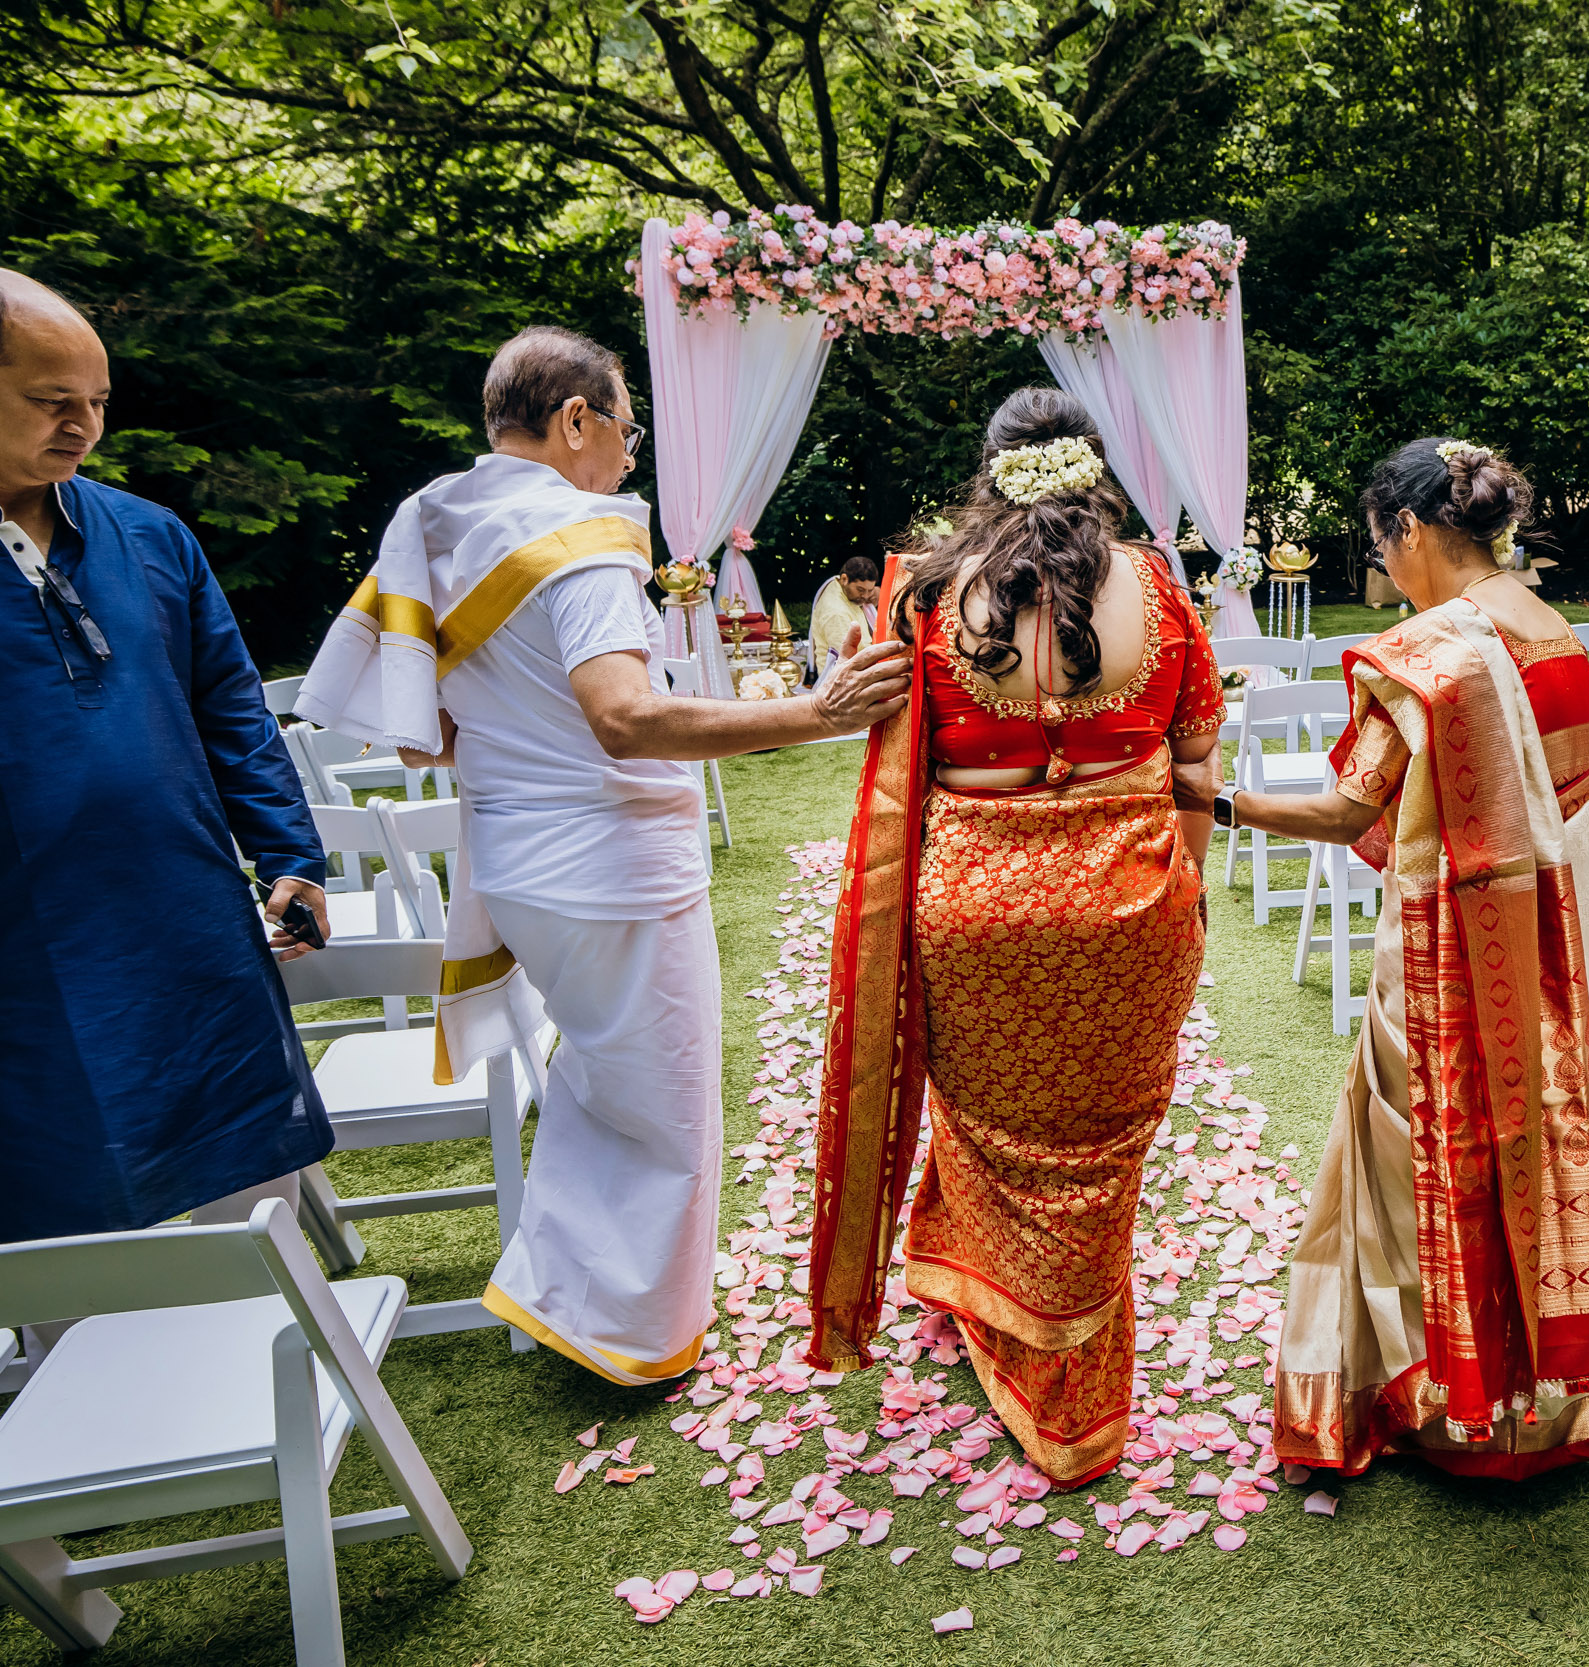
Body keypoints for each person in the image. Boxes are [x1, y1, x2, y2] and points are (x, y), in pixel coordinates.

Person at [297, 325, 909, 1384]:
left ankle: (563, 1288)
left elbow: (418, 730)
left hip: (512, 859)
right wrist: (815, 712)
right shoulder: (575, 530)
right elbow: (621, 716)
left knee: (589, 1083)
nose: (632, 453)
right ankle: (633, 1336)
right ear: (575, 419)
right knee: (665, 1102)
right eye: (626, 426)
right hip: (612, 865)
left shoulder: (444, 522)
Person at [806, 387, 1225, 1487]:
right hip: (1129, 914)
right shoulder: (1164, 595)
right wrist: (1185, 890)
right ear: (1095, 468)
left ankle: (996, 1308)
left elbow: (890, 754)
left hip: (971, 916)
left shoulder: (928, 594)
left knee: (985, 1124)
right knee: (1099, 1144)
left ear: (990, 470)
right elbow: (1193, 775)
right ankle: (1074, 1389)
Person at [1221, 438, 1589, 1479]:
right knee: (1518, 1161)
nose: (1381, 569)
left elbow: (1347, 808)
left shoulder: (1432, 655)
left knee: (1420, 1170)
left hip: (1449, 958)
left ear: (1408, 531)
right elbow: (1570, 801)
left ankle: (1440, 1400)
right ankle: (1534, 1408)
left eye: (1378, 544)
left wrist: (1215, 799)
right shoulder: (1556, 631)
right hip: (1552, 950)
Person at [0, 270, 337, 1244]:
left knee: (245, 1141)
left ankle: (248, 1344)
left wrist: (289, 851)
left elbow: (232, 708)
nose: (84, 427)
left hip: (188, 914)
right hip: (30, 948)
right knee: (51, 1200)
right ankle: (86, 1379)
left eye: (98, 401)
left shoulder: (151, 536)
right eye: (52, 402)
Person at [808, 553, 881, 678]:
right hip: (838, 678)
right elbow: (847, 659)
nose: (866, 596)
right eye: (860, 590)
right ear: (844, 579)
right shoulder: (835, 612)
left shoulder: (841, 586)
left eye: (870, 590)